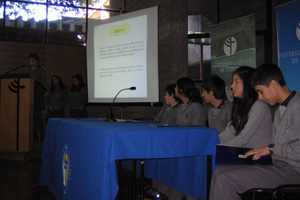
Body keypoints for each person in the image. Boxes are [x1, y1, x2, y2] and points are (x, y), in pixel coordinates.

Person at [209, 63, 300, 200]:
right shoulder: (280, 112)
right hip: (278, 166)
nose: (260, 97)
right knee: (219, 172)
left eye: (261, 91)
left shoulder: (297, 106)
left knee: (225, 178)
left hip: (294, 170)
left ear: (273, 84)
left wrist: (271, 149)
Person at [219, 66, 272, 148]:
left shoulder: (259, 106)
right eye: (232, 82)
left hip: (259, 158)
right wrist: (211, 142)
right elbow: (229, 133)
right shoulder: (240, 106)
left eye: (236, 82)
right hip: (245, 154)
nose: (232, 86)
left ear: (248, 83)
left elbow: (243, 138)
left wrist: (218, 148)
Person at [25, 53, 47, 140]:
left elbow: (44, 85)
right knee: (31, 116)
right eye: (30, 61)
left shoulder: (42, 70)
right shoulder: (27, 71)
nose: (31, 62)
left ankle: (42, 133)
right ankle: (33, 134)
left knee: (38, 116)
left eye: (33, 61)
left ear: (37, 61)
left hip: (38, 96)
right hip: (29, 96)